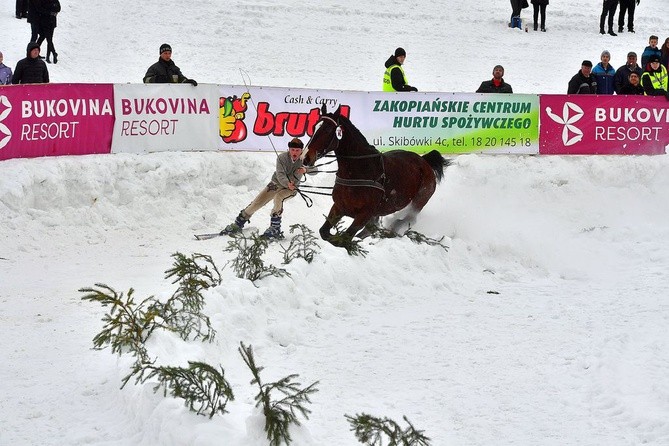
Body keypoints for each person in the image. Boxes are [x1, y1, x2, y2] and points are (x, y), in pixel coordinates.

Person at [220, 138, 317, 239]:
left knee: (278, 198)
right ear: (289, 149)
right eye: (292, 150)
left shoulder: (304, 159)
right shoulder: (282, 158)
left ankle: (275, 228)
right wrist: (288, 183)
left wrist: (305, 169)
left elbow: (316, 170)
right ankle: (238, 223)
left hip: (291, 189)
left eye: (297, 150)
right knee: (257, 202)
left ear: (301, 151)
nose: (294, 153)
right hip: (276, 184)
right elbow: (280, 175)